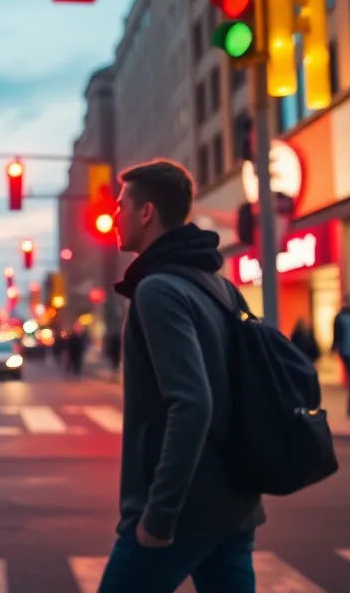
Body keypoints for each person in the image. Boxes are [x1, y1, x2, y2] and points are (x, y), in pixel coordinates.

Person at [99, 159, 264, 593]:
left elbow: (192, 404)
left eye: (121, 206)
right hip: (234, 503)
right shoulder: (219, 287)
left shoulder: (158, 290)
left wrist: (160, 514)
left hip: (182, 513)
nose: (115, 216)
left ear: (146, 212)